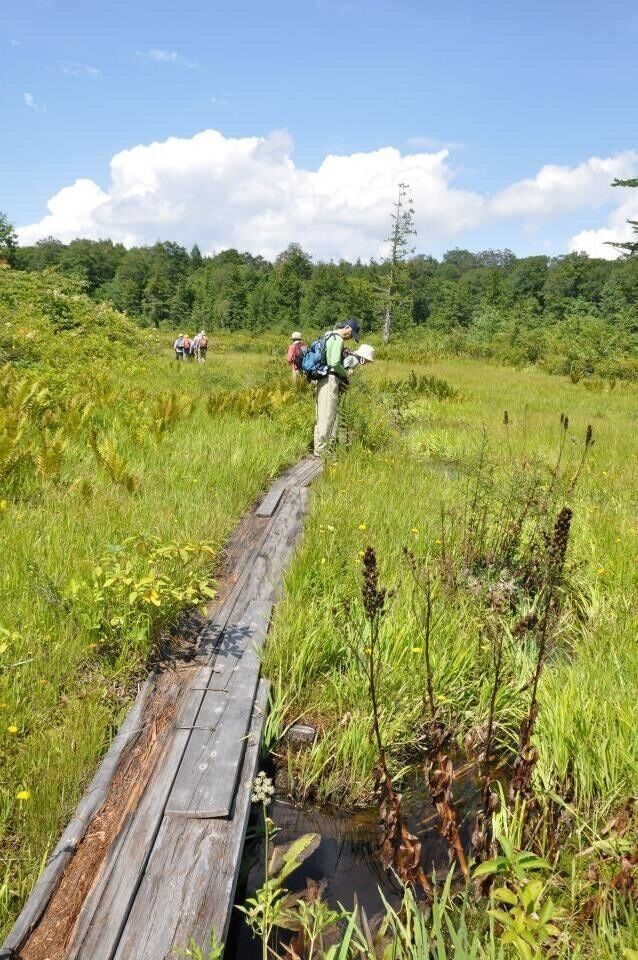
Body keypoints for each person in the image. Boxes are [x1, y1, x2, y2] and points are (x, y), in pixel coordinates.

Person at [313, 319, 362, 458]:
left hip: (321, 379)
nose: (350, 337)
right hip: (330, 379)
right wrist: (345, 373)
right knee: (327, 415)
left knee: (320, 414)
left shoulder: (328, 335)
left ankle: (318, 447)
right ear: (347, 327)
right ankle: (321, 451)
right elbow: (334, 363)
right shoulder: (338, 339)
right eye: (351, 334)